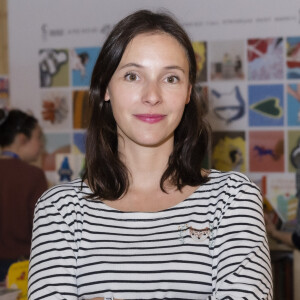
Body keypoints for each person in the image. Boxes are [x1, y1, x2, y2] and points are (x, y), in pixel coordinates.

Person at [28, 10, 272, 300]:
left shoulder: (232, 199)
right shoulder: (61, 210)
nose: (152, 95)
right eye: (133, 76)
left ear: (187, 93)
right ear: (106, 87)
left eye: (170, 78)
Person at [0, 108, 48, 282]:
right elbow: (41, 229)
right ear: (22, 139)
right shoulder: (33, 175)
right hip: (21, 268)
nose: (41, 144)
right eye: (38, 137)